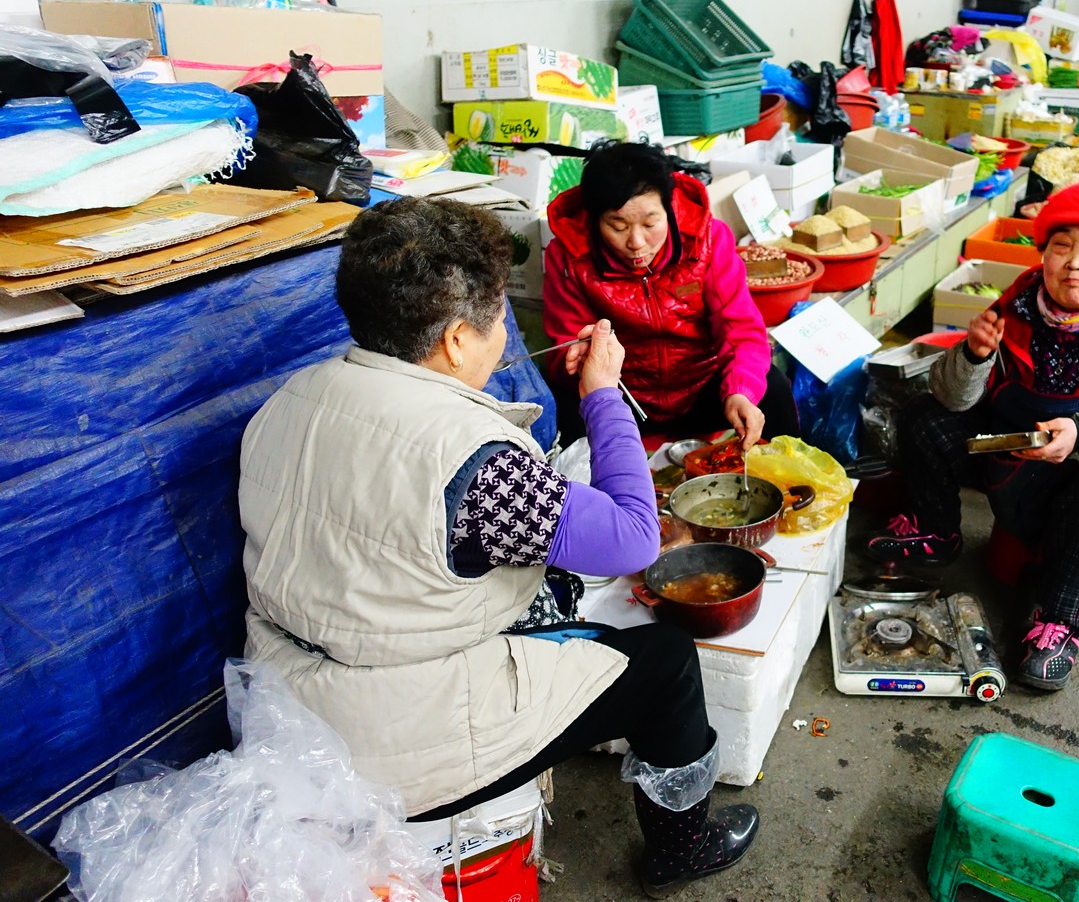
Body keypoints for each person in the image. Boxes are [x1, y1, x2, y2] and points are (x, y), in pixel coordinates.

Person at [239, 198, 759, 899]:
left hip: (290, 705)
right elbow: (636, 536)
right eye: (496, 324)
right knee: (663, 662)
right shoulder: (477, 466)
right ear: (457, 340)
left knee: (551, 596)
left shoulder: (290, 401)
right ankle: (682, 848)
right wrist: (604, 393)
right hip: (395, 747)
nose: (503, 340)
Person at [867, 183, 1079, 691]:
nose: (1074, 263)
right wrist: (971, 357)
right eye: (1062, 246)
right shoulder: (1020, 301)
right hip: (1014, 457)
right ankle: (936, 529)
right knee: (924, 415)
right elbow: (955, 400)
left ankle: (1060, 620)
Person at [544, 140, 797, 448]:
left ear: (669, 208)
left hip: (703, 388)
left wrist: (739, 391)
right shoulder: (569, 257)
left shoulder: (708, 240)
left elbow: (740, 331)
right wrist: (578, 359)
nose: (637, 242)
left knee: (772, 387)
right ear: (595, 220)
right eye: (618, 226)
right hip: (625, 397)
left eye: (650, 223)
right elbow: (564, 344)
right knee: (558, 407)